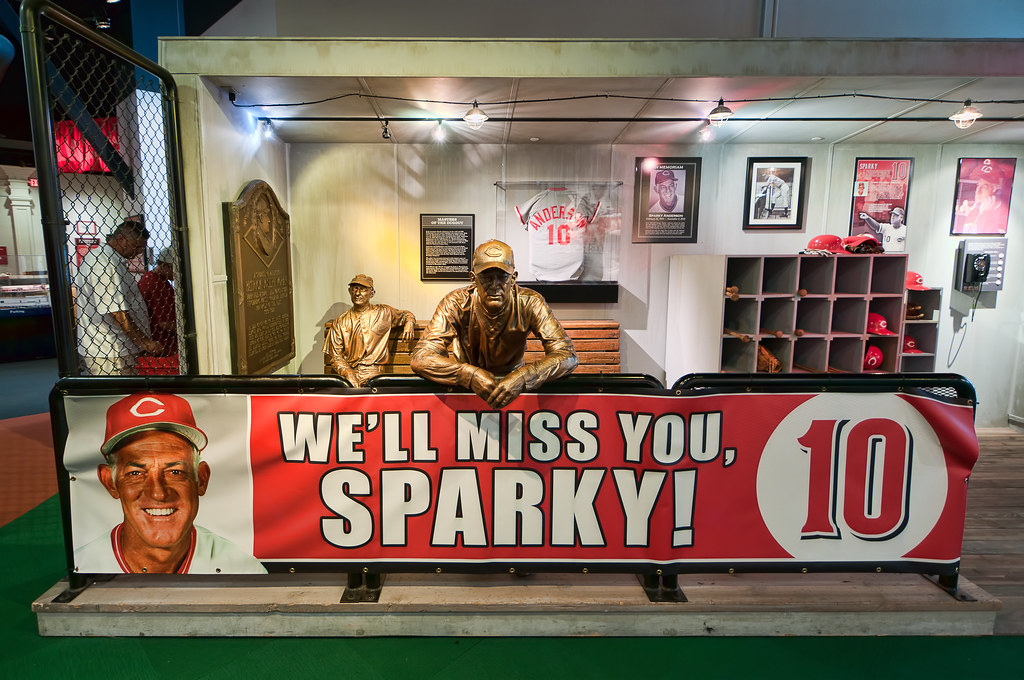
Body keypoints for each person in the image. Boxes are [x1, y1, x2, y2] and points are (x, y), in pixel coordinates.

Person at [75, 393, 267, 574]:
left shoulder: (242, 571)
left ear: (201, 479)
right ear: (110, 482)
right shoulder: (82, 567)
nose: (158, 493)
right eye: (136, 473)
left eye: (175, 472)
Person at [411, 239, 578, 409]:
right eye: (486, 278)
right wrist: (469, 375)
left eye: (502, 277)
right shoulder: (455, 303)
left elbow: (567, 356)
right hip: (467, 392)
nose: (495, 285)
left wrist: (523, 377)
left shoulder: (530, 302)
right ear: (473, 278)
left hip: (513, 389)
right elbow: (421, 357)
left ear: (513, 278)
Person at [74, 217, 163, 375]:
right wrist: (144, 342)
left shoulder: (110, 259)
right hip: (110, 351)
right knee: (119, 397)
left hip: (117, 348)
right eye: (135, 247)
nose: (138, 253)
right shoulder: (102, 263)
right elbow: (115, 310)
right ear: (121, 239)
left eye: (141, 249)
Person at [323, 274, 417, 386]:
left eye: (362, 289)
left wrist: (409, 323)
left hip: (376, 375)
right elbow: (336, 357)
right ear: (349, 291)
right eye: (354, 289)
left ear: (372, 293)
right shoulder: (340, 322)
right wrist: (349, 374)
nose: (357, 293)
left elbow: (406, 314)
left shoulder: (383, 313)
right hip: (350, 375)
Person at [137, 247, 178, 357]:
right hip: (162, 345)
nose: (178, 273)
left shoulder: (156, 280)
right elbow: (164, 323)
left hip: (162, 344)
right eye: (175, 268)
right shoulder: (155, 284)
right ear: (164, 265)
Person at [955, 160, 1011, 234]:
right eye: (978, 186)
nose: (978, 191)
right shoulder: (975, 209)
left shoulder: (1003, 214)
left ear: (996, 190)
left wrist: (985, 213)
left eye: (984, 187)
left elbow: (992, 242)